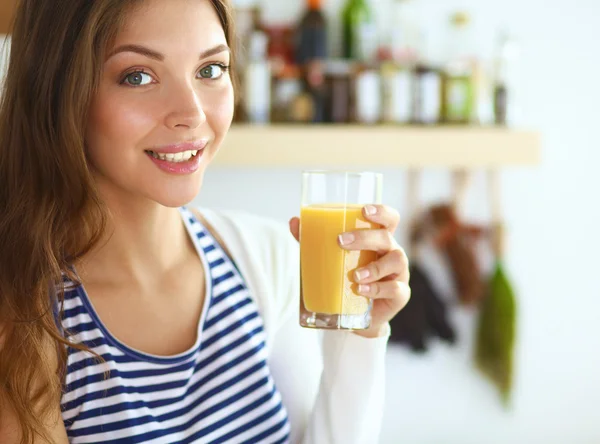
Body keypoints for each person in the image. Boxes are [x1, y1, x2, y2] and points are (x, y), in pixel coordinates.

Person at [0, 0, 411, 443]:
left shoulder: (262, 257)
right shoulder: (24, 311)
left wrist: (361, 334)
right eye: (138, 76)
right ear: (58, 90)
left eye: (211, 69)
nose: (192, 113)